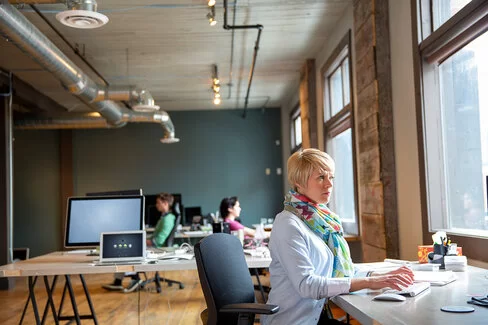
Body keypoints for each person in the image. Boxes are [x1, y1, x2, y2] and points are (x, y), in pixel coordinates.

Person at [261, 149, 414, 325]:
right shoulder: (288, 224)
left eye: (331, 177)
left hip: (318, 317)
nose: (329, 184)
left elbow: (341, 270)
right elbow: (307, 284)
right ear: (299, 182)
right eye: (320, 178)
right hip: (294, 321)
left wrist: (383, 275)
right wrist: (370, 282)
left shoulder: (323, 220)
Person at [102, 193, 176, 292]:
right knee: (126, 249)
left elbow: (158, 241)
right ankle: (119, 281)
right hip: (155, 245)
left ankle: (134, 279)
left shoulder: (167, 220)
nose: (156, 205)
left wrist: (140, 241)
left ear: (165, 203)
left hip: (158, 248)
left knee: (128, 251)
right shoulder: (165, 217)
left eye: (158, 203)